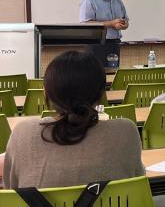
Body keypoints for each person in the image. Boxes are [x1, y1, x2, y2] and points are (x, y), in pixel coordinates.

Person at [2, 51, 144, 188]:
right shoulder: (126, 131)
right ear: (101, 94)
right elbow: (138, 182)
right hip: (112, 206)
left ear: (46, 93)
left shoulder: (22, 133)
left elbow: (12, 189)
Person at [79, 0, 129, 70]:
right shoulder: (90, 0)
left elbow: (126, 21)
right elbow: (85, 23)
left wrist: (123, 24)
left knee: (113, 73)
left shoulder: (117, 1)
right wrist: (111, 23)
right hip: (97, 44)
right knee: (96, 74)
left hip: (115, 43)